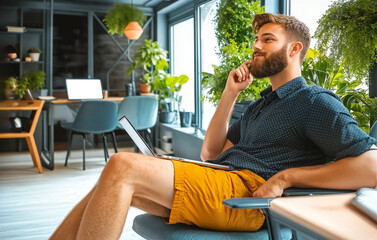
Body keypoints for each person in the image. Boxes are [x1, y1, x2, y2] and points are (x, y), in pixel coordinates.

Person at [51, 13, 377, 239]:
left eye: (267, 39)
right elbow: (210, 152)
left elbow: (371, 168)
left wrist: (286, 178)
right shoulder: (263, 104)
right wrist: (229, 93)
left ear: (295, 49)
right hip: (222, 179)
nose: (256, 46)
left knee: (122, 165)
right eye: (256, 39)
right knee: (109, 182)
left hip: (248, 197)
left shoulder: (314, 102)